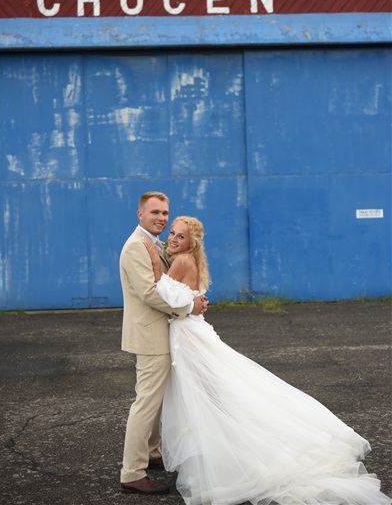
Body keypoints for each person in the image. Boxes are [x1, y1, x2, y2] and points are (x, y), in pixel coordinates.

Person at [143, 215, 392, 505]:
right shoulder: (188, 259)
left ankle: (231, 455)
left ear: (191, 242)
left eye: (180, 236)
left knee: (203, 397)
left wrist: (154, 263)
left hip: (187, 336)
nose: (173, 239)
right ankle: (223, 450)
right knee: (211, 394)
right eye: (172, 233)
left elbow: (162, 295)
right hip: (191, 331)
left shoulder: (182, 260)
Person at [119, 192, 208, 495]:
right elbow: (149, 293)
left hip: (163, 332)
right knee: (146, 403)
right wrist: (189, 307)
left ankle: (152, 452)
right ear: (140, 214)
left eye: (164, 213)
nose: (161, 218)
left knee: (156, 402)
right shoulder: (136, 246)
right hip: (150, 335)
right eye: (154, 212)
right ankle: (132, 472)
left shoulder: (156, 243)